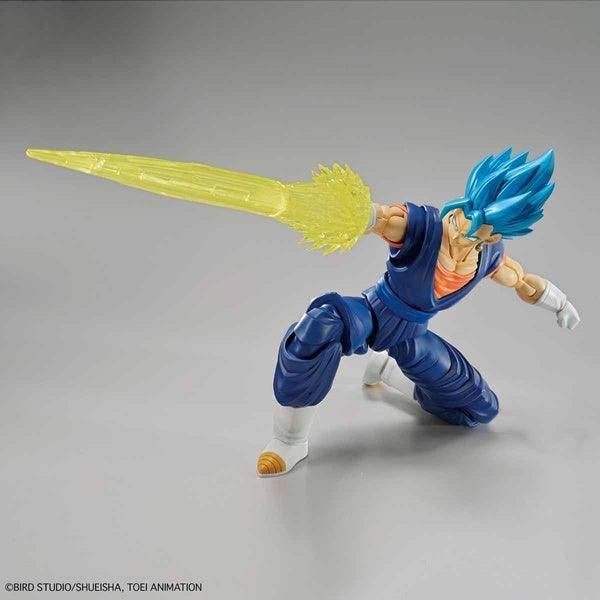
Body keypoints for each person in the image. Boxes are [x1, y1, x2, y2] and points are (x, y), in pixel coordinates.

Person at [256, 148, 580, 477]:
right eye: (462, 214)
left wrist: (561, 303)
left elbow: (524, 282)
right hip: (372, 314)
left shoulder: (489, 257)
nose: (460, 228)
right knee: (320, 325)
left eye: (477, 228)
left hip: (412, 335)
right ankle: (288, 440)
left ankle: (385, 369)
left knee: (478, 409)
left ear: (493, 235)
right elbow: (379, 218)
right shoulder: (422, 227)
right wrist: (344, 211)